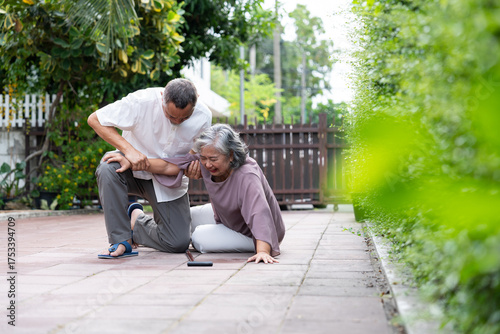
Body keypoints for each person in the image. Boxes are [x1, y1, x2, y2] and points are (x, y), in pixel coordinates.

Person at [87, 78, 212, 259]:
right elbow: (95, 119)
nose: (176, 121)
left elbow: (183, 164)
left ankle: (136, 221)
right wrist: (129, 152)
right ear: (162, 97)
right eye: (171, 116)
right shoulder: (141, 101)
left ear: (197, 101)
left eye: (184, 118)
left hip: (168, 179)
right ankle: (121, 241)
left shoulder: (203, 116)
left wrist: (196, 169)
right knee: (108, 168)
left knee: (177, 242)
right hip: (129, 170)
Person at [150, 124, 286, 264]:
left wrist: (263, 251)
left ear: (231, 155)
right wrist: (138, 162)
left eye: (213, 159)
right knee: (182, 219)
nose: (207, 164)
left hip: (255, 233)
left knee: (199, 237)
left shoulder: (247, 174)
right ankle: (138, 220)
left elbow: (259, 212)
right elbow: (170, 166)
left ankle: (140, 229)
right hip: (229, 218)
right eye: (203, 158)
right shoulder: (208, 159)